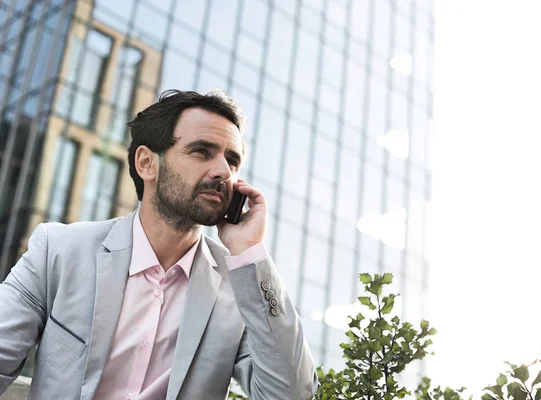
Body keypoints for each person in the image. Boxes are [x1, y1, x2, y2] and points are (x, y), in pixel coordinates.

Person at [0, 90, 318, 400]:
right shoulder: (57, 250)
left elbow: (292, 394)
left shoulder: (242, 287)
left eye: (232, 161)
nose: (224, 172)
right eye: (202, 151)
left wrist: (250, 252)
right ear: (146, 163)